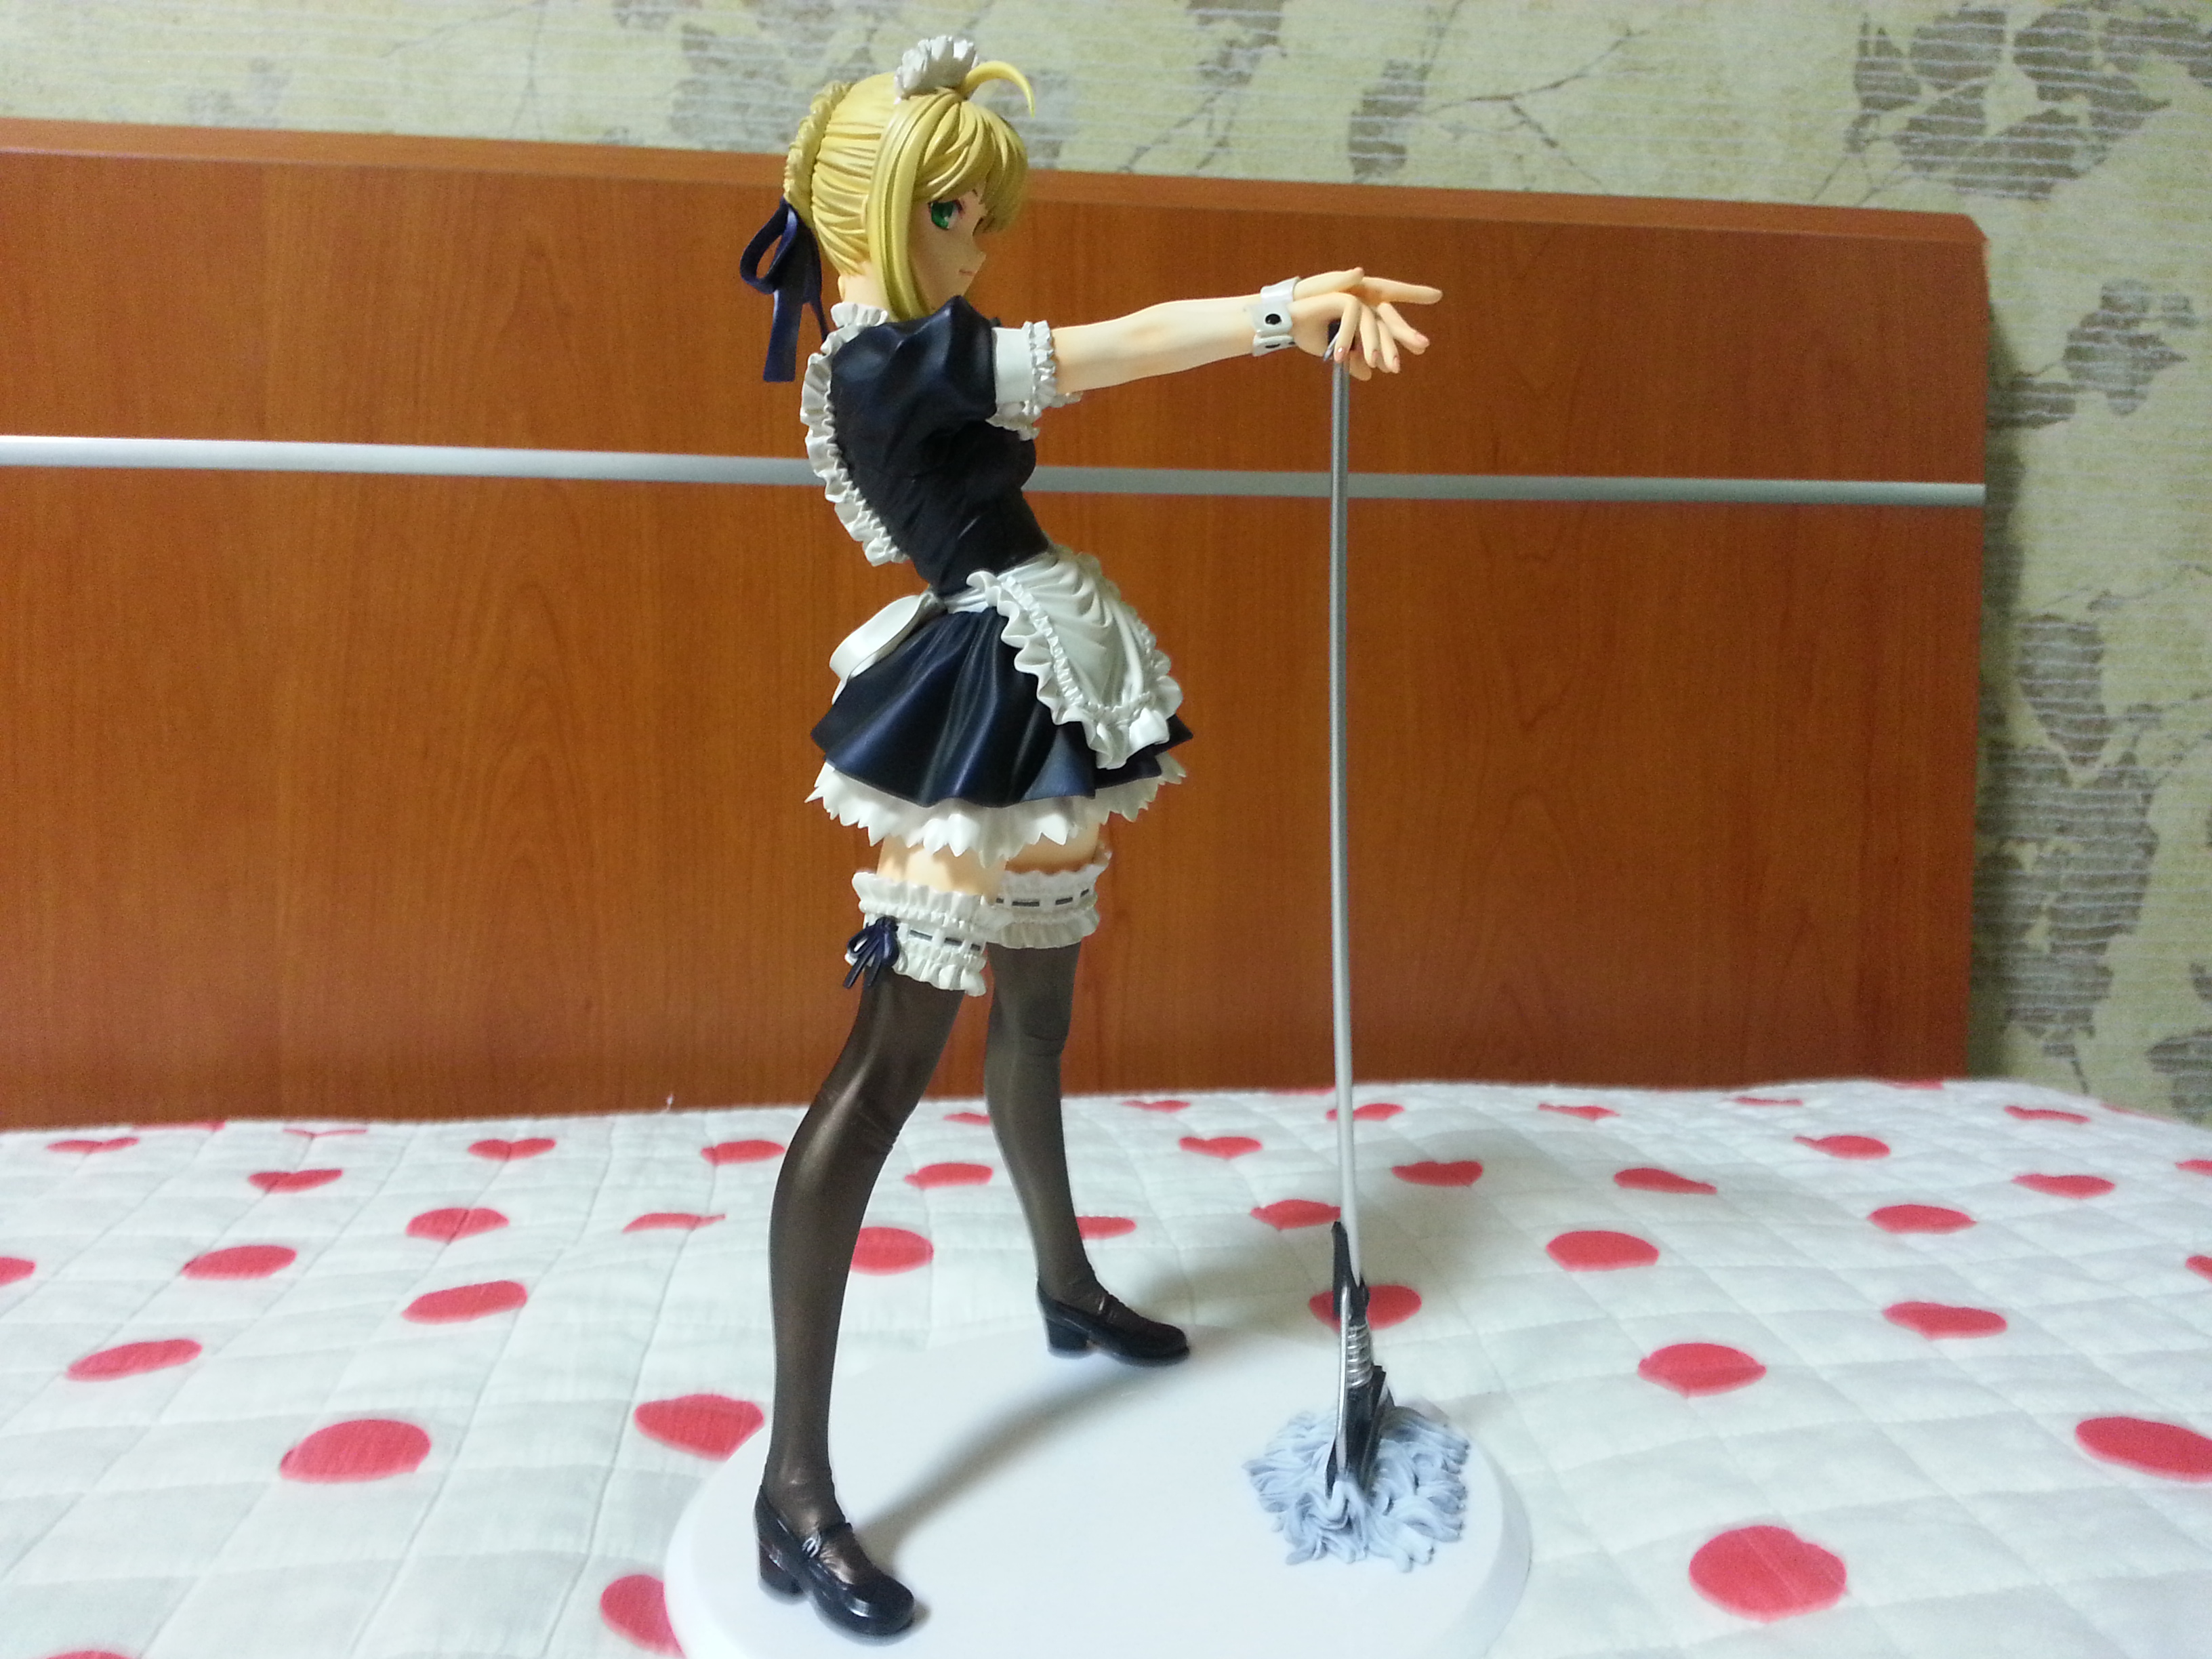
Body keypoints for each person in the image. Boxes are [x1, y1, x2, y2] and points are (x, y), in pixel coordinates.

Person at [741, 35, 1441, 1639]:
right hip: (985, 687)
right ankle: (793, 1485)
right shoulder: (901, 361)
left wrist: (1292, 305)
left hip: (1030, 666)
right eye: (954, 215)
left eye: (986, 215)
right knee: (885, 1070)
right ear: (880, 216)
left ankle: (1063, 1282)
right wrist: (1279, 310)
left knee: (1039, 1008)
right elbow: (1109, 350)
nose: (981, 244)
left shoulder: (891, 347)